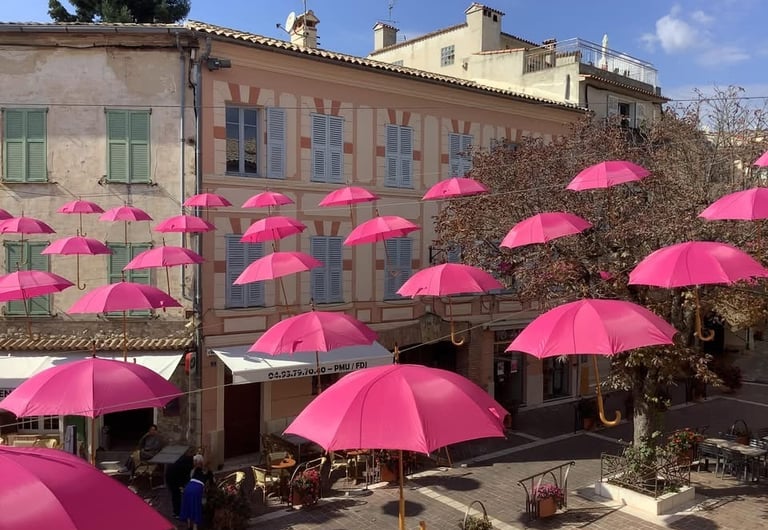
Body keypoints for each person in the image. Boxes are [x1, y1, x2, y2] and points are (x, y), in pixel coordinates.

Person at [180, 453, 214, 530]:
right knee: (196, 507)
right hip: (196, 489)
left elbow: (191, 477)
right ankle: (195, 527)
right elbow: (212, 484)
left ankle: (189, 526)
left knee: (188, 505)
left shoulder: (196, 470)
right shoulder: (209, 472)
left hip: (188, 487)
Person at [166, 448, 194, 519]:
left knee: (176, 495)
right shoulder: (188, 463)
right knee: (176, 494)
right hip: (173, 478)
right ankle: (178, 513)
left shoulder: (184, 459)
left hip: (171, 476)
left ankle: (177, 511)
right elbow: (186, 475)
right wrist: (183, 485)